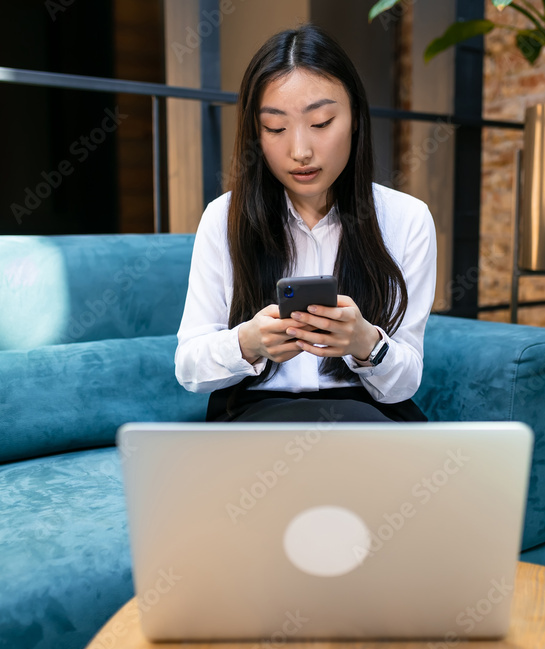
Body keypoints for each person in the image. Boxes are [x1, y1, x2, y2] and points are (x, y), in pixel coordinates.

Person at [175, 23, 437, 423]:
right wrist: (247, 343)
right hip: (255, 413)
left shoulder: (407, 219)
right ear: (255, 134)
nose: (300, 151)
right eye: (275, 128)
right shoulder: (224, 218)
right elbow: (188, 368)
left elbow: (404, 383)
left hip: (368, 412)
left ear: (355, 120)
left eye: (321, 123)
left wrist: (366, 343)